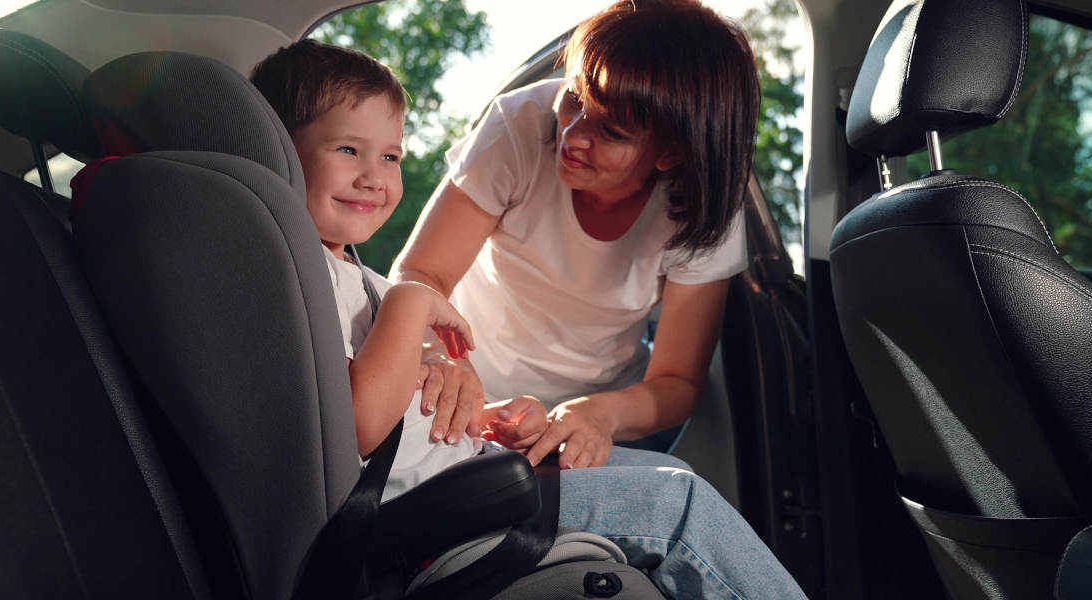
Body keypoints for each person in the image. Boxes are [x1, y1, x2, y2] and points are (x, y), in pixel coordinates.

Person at [250, 39, 806, 599]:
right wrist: (419, 315)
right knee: (678, 506)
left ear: (668, 155)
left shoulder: (358, 279)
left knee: (680, 478)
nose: (571, 133)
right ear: (279, 151)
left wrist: (486, 415)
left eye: (390, 157)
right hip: (440, 498)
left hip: (483, 456)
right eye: (349, 150)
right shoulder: (303, 274)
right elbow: (363, 418)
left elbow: (399, 400)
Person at [391, 0, 761, 469]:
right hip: (464, 396)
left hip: (601, 418)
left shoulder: (706, 210)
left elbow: (677, 382)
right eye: (575, 98)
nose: (572, 135)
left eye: (611, 131)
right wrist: (436, 360)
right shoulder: (519, 125)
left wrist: (600, 416)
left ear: (669, 153)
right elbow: (422, 273)